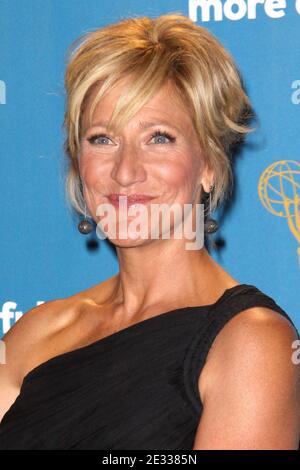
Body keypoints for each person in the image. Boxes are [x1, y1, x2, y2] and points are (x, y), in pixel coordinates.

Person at [0, 13, 299, 450]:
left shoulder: (253, 343)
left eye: (158, 137)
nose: (125, 172)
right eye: (102, 138)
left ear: (210, 164)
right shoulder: (36, 332)